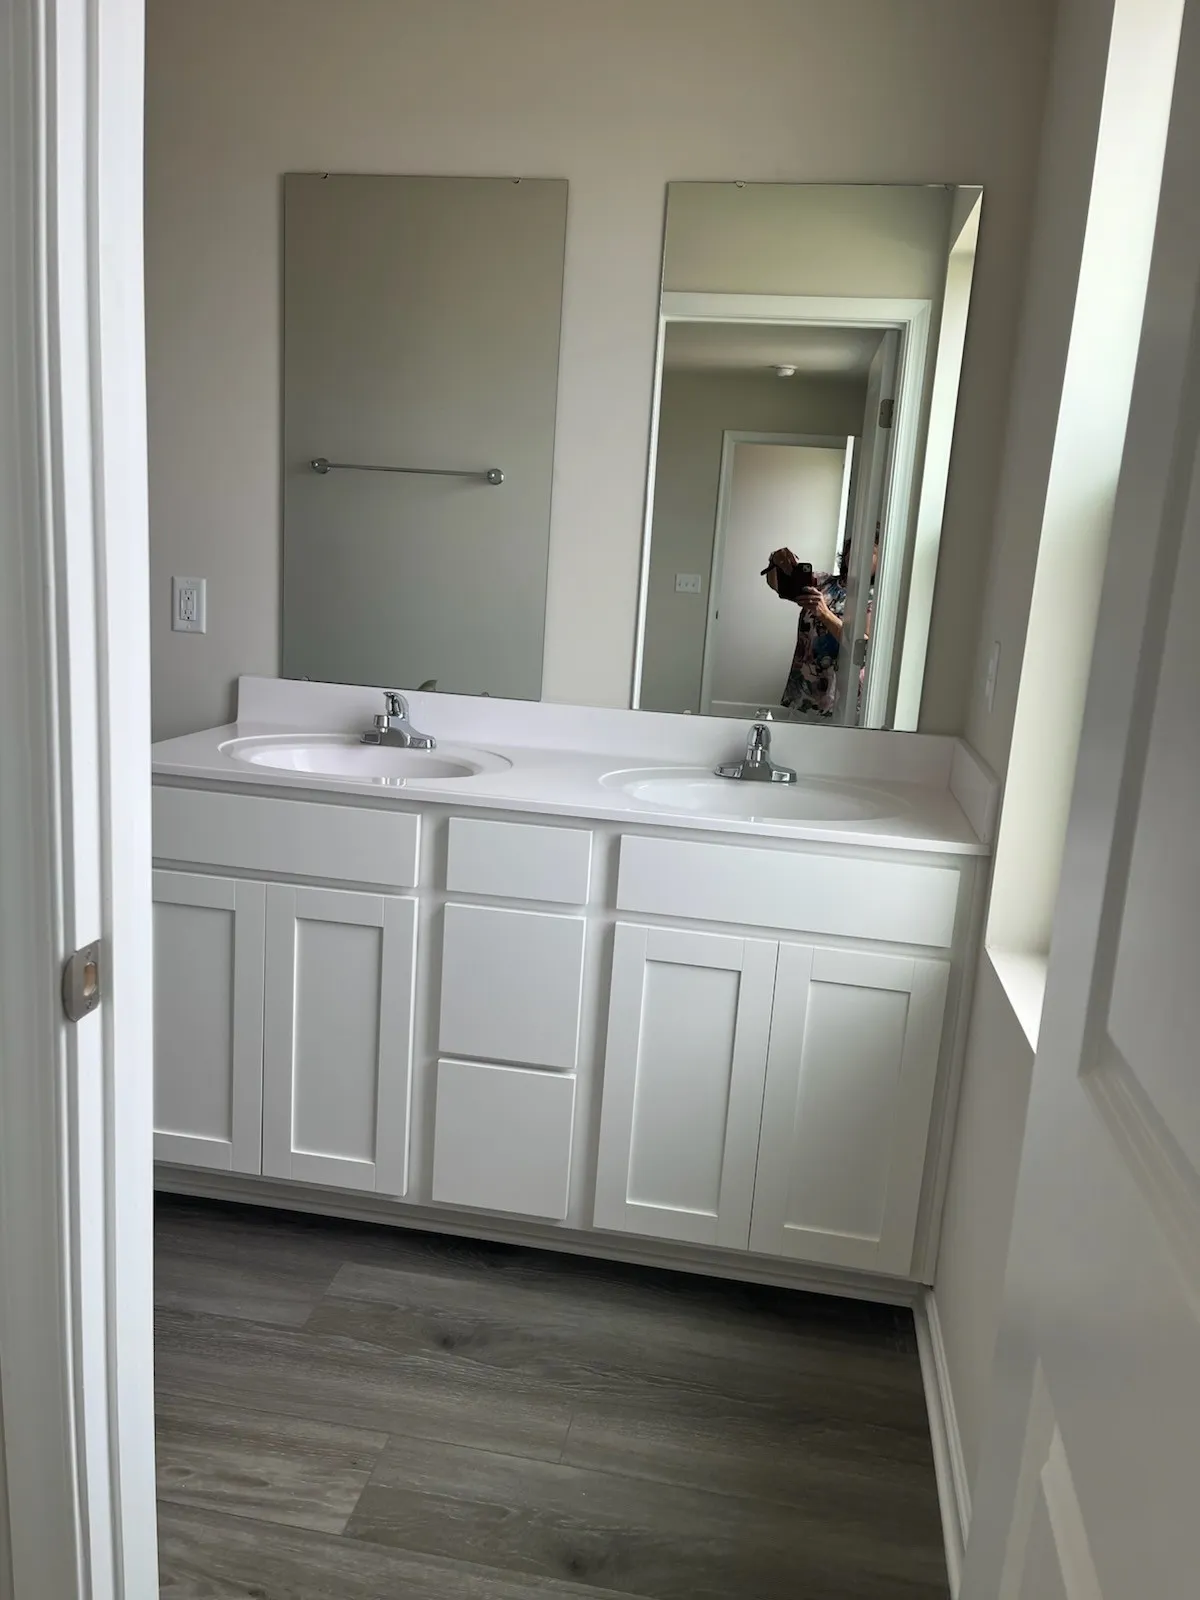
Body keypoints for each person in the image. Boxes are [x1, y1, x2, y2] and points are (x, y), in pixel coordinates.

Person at [764, 533, 877, 718]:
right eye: (855, 547)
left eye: (870, 551)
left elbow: (863, 647)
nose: (859, 554)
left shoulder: (877, 599)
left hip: (842, 698)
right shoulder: (823, 583)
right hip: (805, 691)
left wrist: (825, 614)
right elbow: (776, 584)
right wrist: (775, 560)